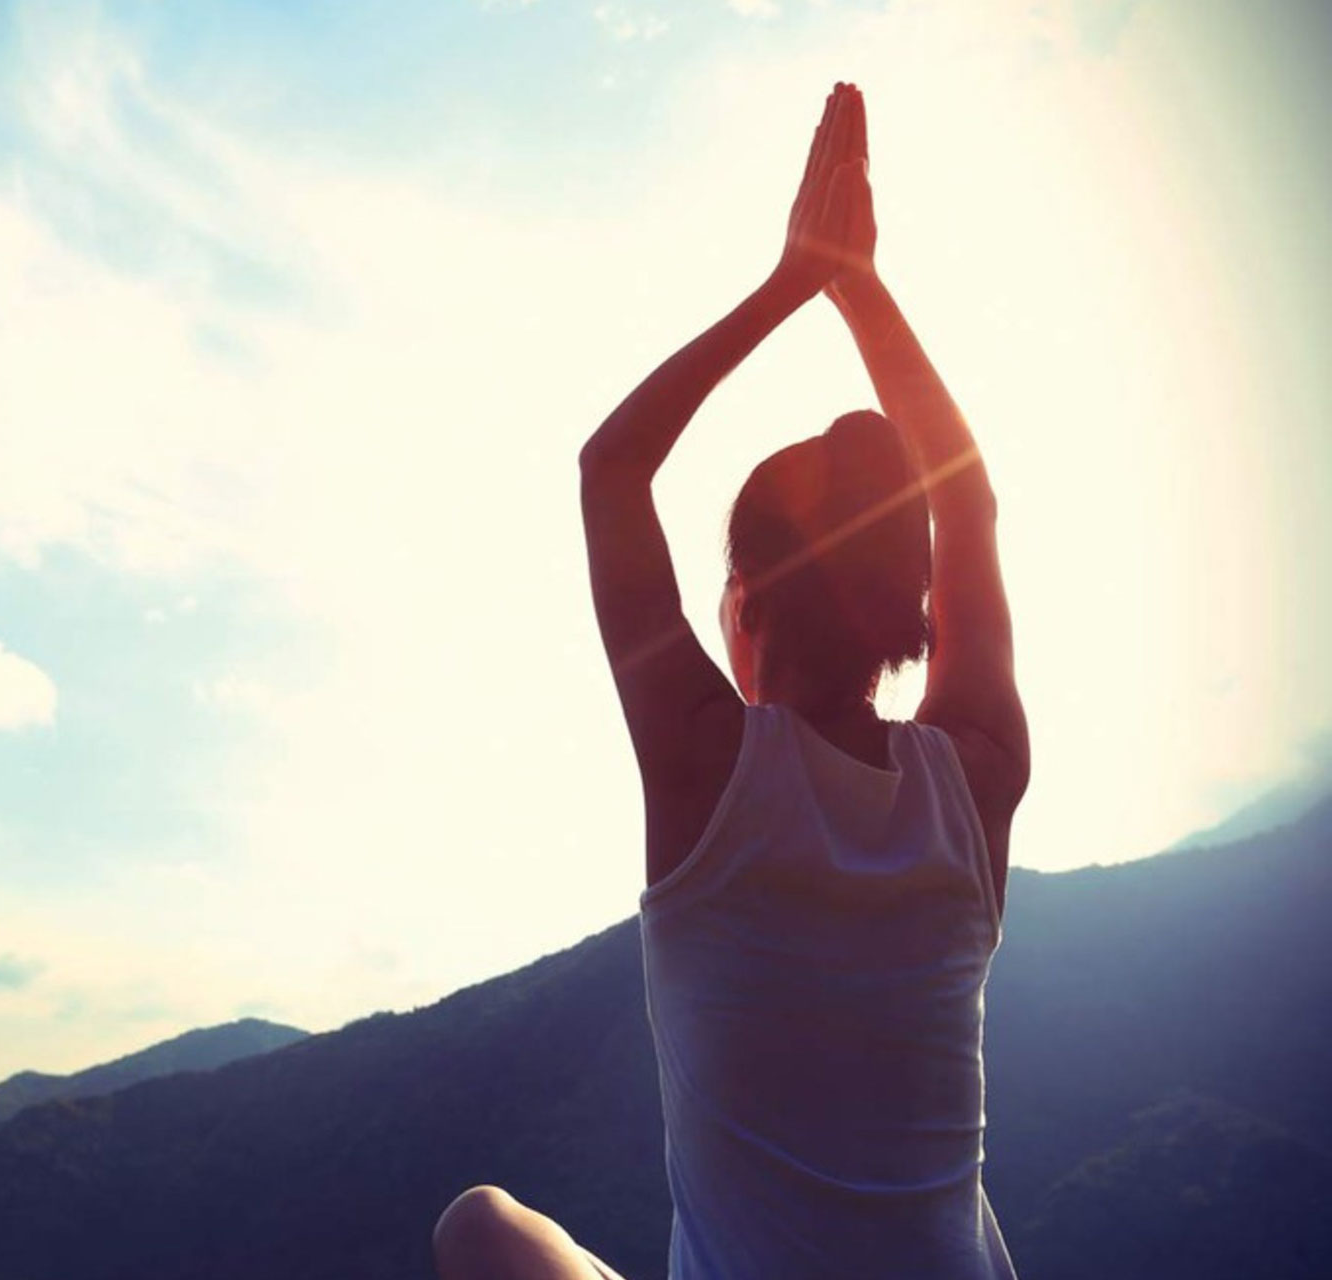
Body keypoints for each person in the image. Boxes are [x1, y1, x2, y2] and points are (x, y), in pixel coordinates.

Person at [433, 82, 1029, 1279]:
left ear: (745, 604)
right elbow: (965, 495)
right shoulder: (976, 777)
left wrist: (795, 280)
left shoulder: (709, 769)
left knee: (479, 1226)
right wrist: (861, 286)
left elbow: (610, 470)